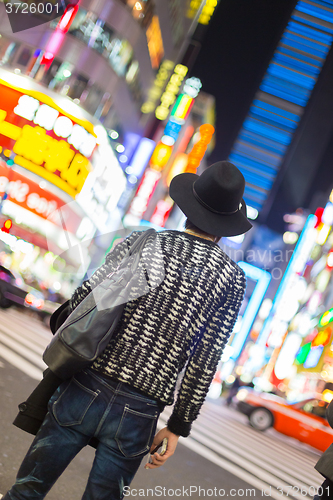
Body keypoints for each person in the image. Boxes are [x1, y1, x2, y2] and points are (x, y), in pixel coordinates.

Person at [4, 160, 252, 500]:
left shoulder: (146, 244)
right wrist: (178, 425)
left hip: (86, 384)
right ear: (225, 225)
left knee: (28, 490)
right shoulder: (231, 279)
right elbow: (205, 361)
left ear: (188, 208)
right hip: (141, 411)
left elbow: (84, 300)